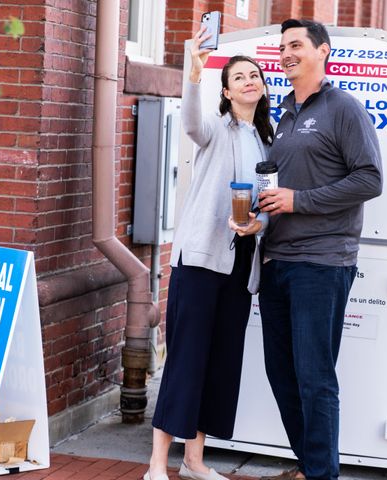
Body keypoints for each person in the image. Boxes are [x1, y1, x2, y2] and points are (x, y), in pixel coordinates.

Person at [144, 27, 273, 480]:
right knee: (187, 358)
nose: (249, 80)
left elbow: (269, 204)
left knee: (219, 361)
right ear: (227, 90)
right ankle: (158, 464)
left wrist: (262, 223)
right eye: (239, 76)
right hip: (200, 260)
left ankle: (195, 461)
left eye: (254, 74)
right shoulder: (217, 127)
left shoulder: (266, 143)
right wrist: (192, 75)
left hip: (240, 265)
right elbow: (191, 122)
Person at [256, 19, 383, 480]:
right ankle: (310, 467)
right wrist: (262, 215)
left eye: (296, 45)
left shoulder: (343, 107)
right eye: (282, 46)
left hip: (322, 263)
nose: (286, 52)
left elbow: (370, 179)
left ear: (323, 51)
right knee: (282, 376)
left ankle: (321, 474)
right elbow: (281, 188)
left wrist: (298, 201)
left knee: (315, 379)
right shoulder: (284, 113)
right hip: (276, 261)